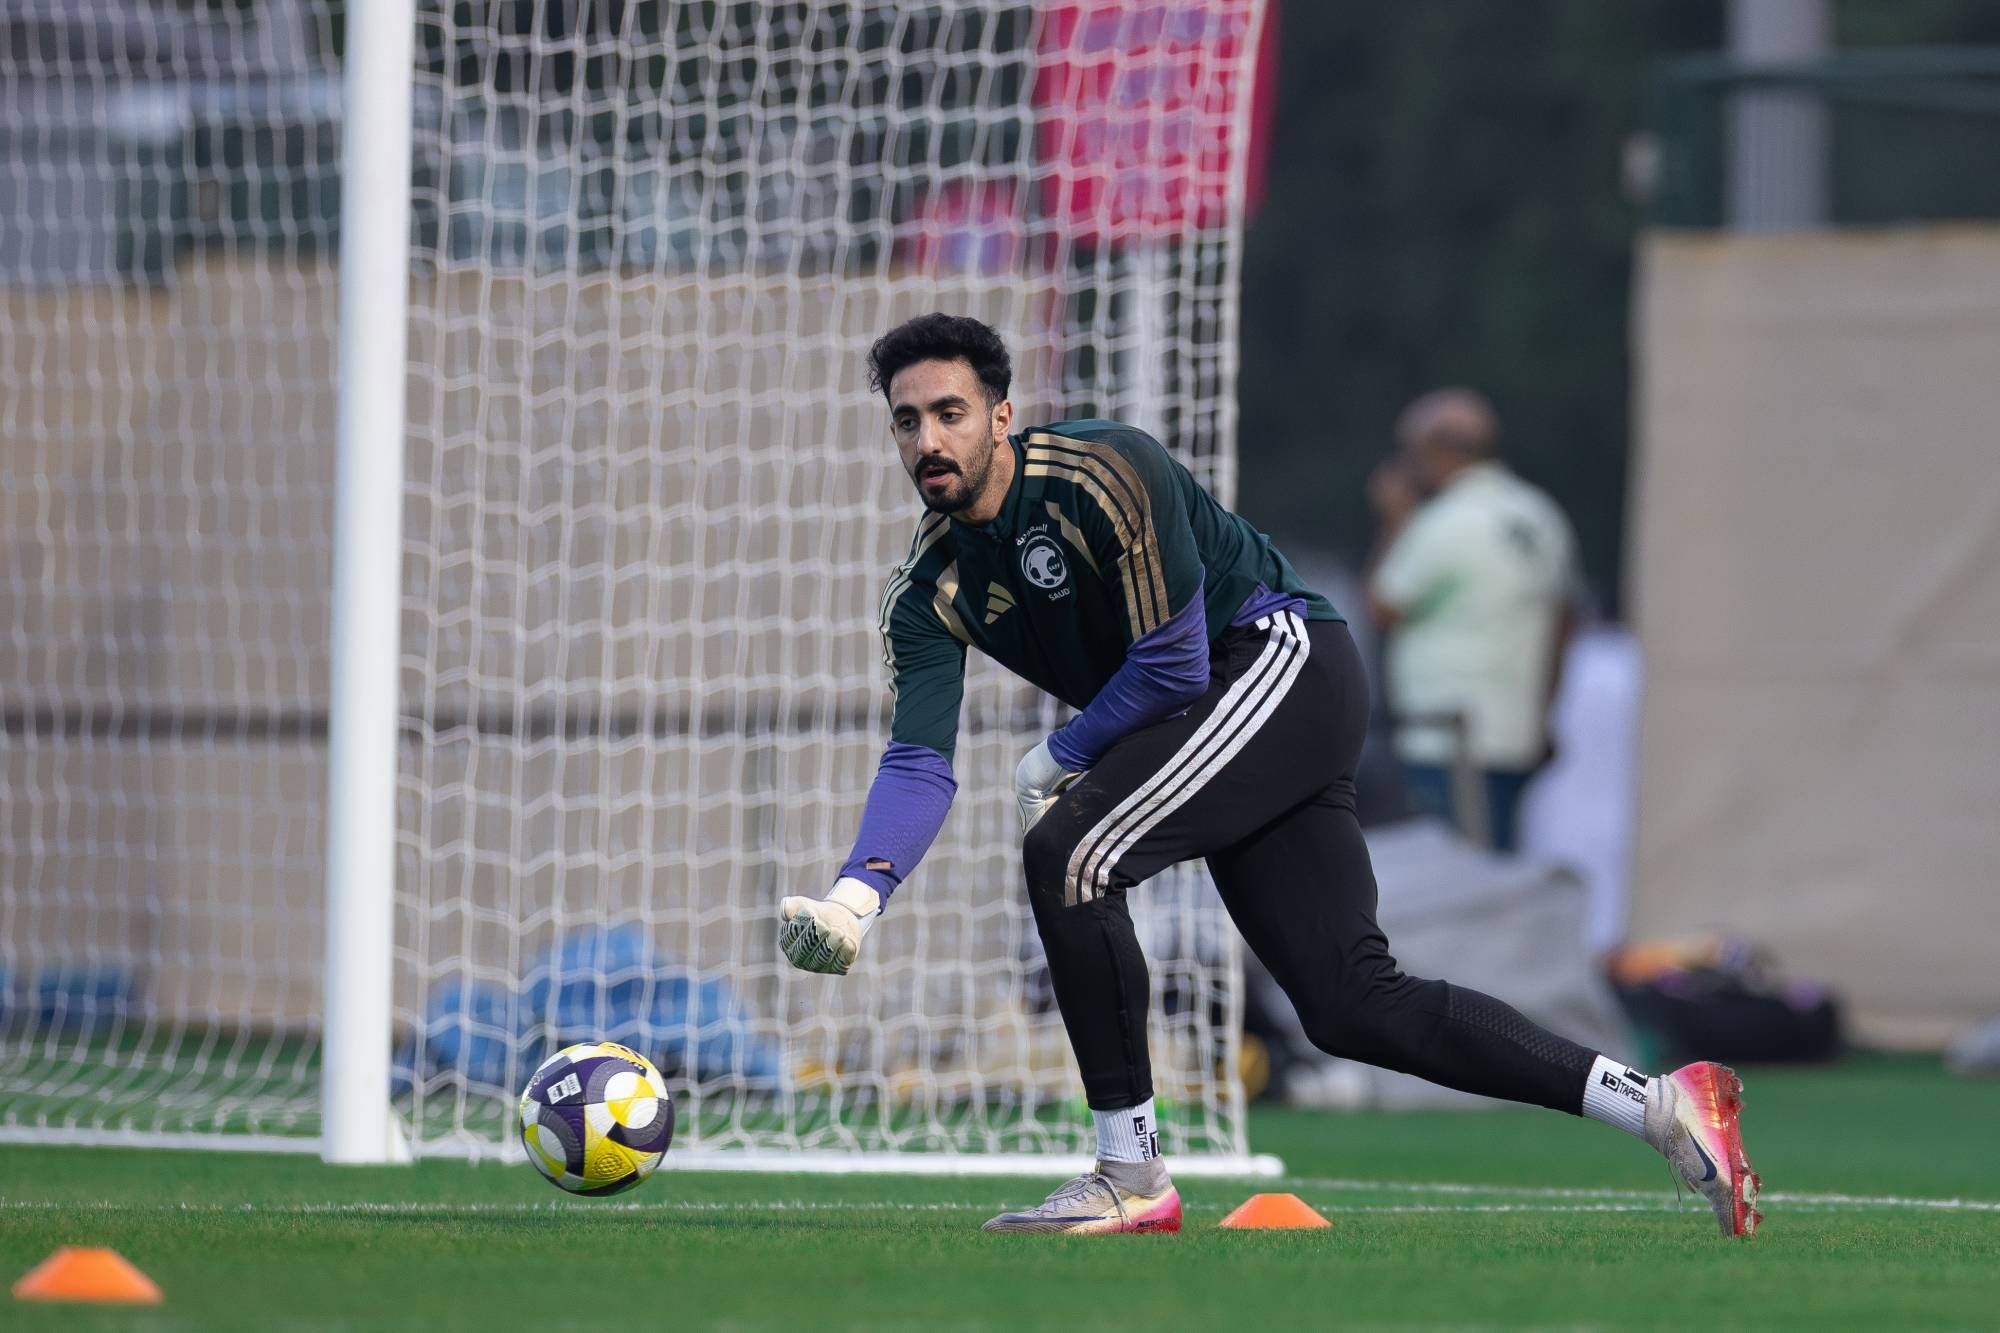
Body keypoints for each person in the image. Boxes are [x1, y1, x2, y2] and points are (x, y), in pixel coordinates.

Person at [776, 315, 1759, 1237]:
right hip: (1222, 715)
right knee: (1350, 1004)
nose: (927, 440)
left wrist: (1057, 755)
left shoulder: (1100, 470)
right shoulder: (927, 590)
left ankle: (1130, 1173)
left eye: (948, 412)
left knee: (1069, 852)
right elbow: (918, 759)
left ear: (1000, 417)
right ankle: (1663, 1105)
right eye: (906, 421)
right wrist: (857, 898)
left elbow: (1174, 666)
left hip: (1278, 664)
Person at [1367, 389, 1578, 852]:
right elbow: (1564, 623)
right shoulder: (1542, 515)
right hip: (1517, 731)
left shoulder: (1443, 522)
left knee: (1455, 873)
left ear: (1437, 451)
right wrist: (1545, 712)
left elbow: (1381, 607)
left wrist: (1396, 519)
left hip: (1445, 737)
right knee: (1495, 862)